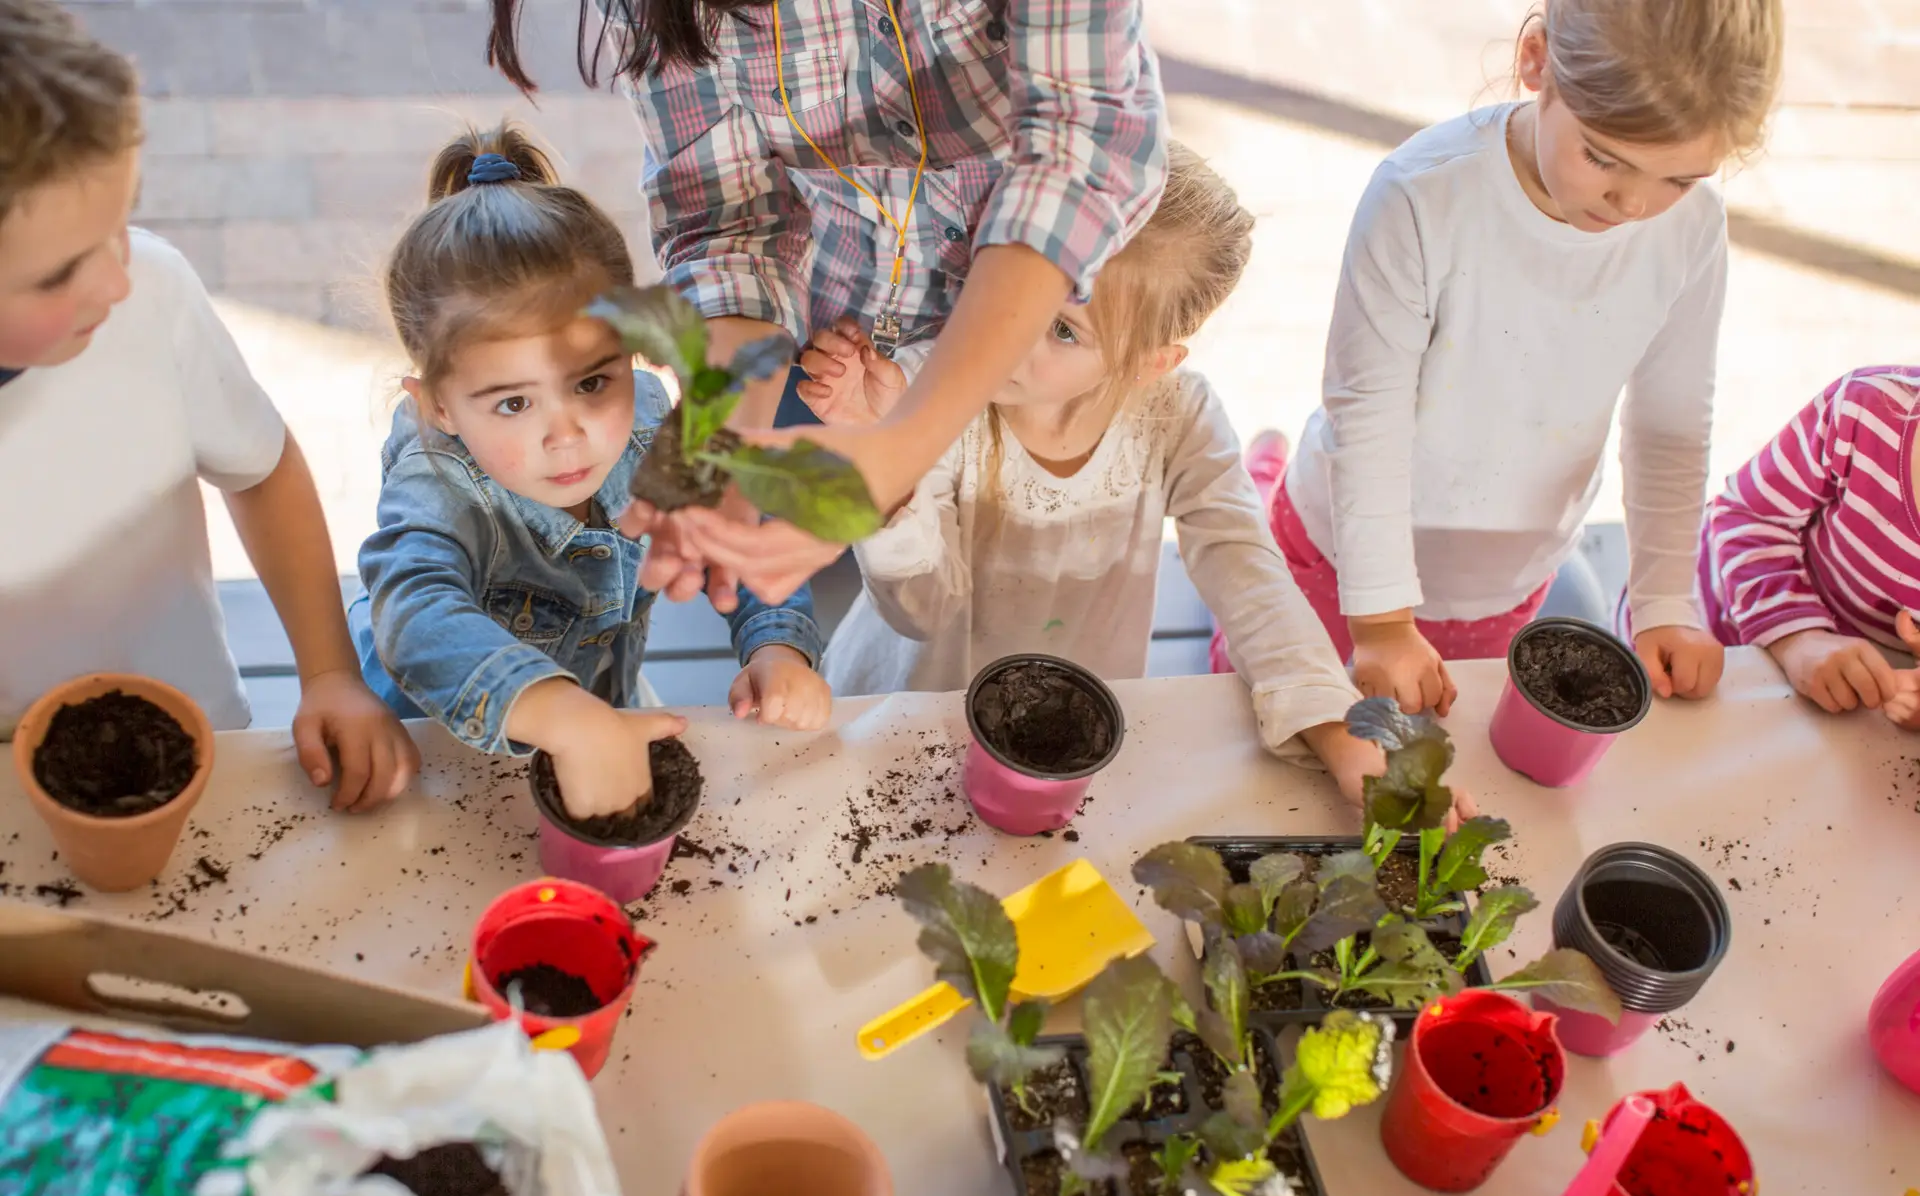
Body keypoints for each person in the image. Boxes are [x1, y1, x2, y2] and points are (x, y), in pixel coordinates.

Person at [485, 0, 1168, 606]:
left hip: (1044, 321)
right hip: (821, 341)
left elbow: (1076, 149)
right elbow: (729, 220)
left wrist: (898, 449)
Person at [1212, 0, 1784, 716]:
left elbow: (1671, 420)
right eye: (1604, 158)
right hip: (1344, 563)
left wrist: (1667, 599)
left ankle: (1264, 472)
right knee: (1265, 710)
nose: (1635, 203)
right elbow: (1368, 415)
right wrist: (1383, 622)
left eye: (1680, 179)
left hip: (1512, 582)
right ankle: (1263, 490)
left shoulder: (1692, 229)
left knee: (1424, 753)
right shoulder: (1421, 194)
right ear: (1537, 61)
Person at [803, 143, 1414, 809]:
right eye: (1016, 286)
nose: (1012, 333)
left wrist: (1335, 730)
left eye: (1063, 330)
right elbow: (921, 610)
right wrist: (887, 451)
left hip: (1066, 731)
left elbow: (1246, 570)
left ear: (1153, 362)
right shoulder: (929, 384)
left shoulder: (1180, 414)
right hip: (911, 714)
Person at [0, 0, 417, 812]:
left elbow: (259, 469)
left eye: (122, 224)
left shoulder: (151, 293)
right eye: (60, 274)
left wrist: (329, 669)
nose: (115, 282)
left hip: (198, 748)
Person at [349, 124, 830, 819]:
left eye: (591, 385)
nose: (566, 434)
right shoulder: (436, 484)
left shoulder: (653, 427)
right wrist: (565, 718)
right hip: (430, 747)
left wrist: (779, 644)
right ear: (439, 407)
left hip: (603, 705)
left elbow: (741, 531)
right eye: (513, 402)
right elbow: (416, 617)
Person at [1700, 366, 1920, 727]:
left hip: (1847, 718)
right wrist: (1799, 639)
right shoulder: (1867, 409)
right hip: (1721, 633)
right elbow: (1748, 513)